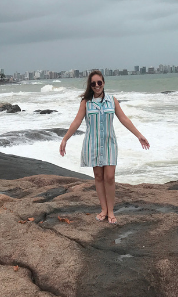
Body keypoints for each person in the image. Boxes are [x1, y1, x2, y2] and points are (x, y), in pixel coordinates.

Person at [59, 70, 149, 224]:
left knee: (110, 176)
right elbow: (77, 121)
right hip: (92, 144)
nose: (96, 86)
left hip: (109, 143)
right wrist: (65, 139)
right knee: (99, 177)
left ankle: (111, 210)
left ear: (104, 83)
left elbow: (123, 118)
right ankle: (104, 209)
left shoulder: (112, 100)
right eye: (93, 83)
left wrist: (139, 135)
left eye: (99, 82)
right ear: (90, 85)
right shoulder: (86, 102)